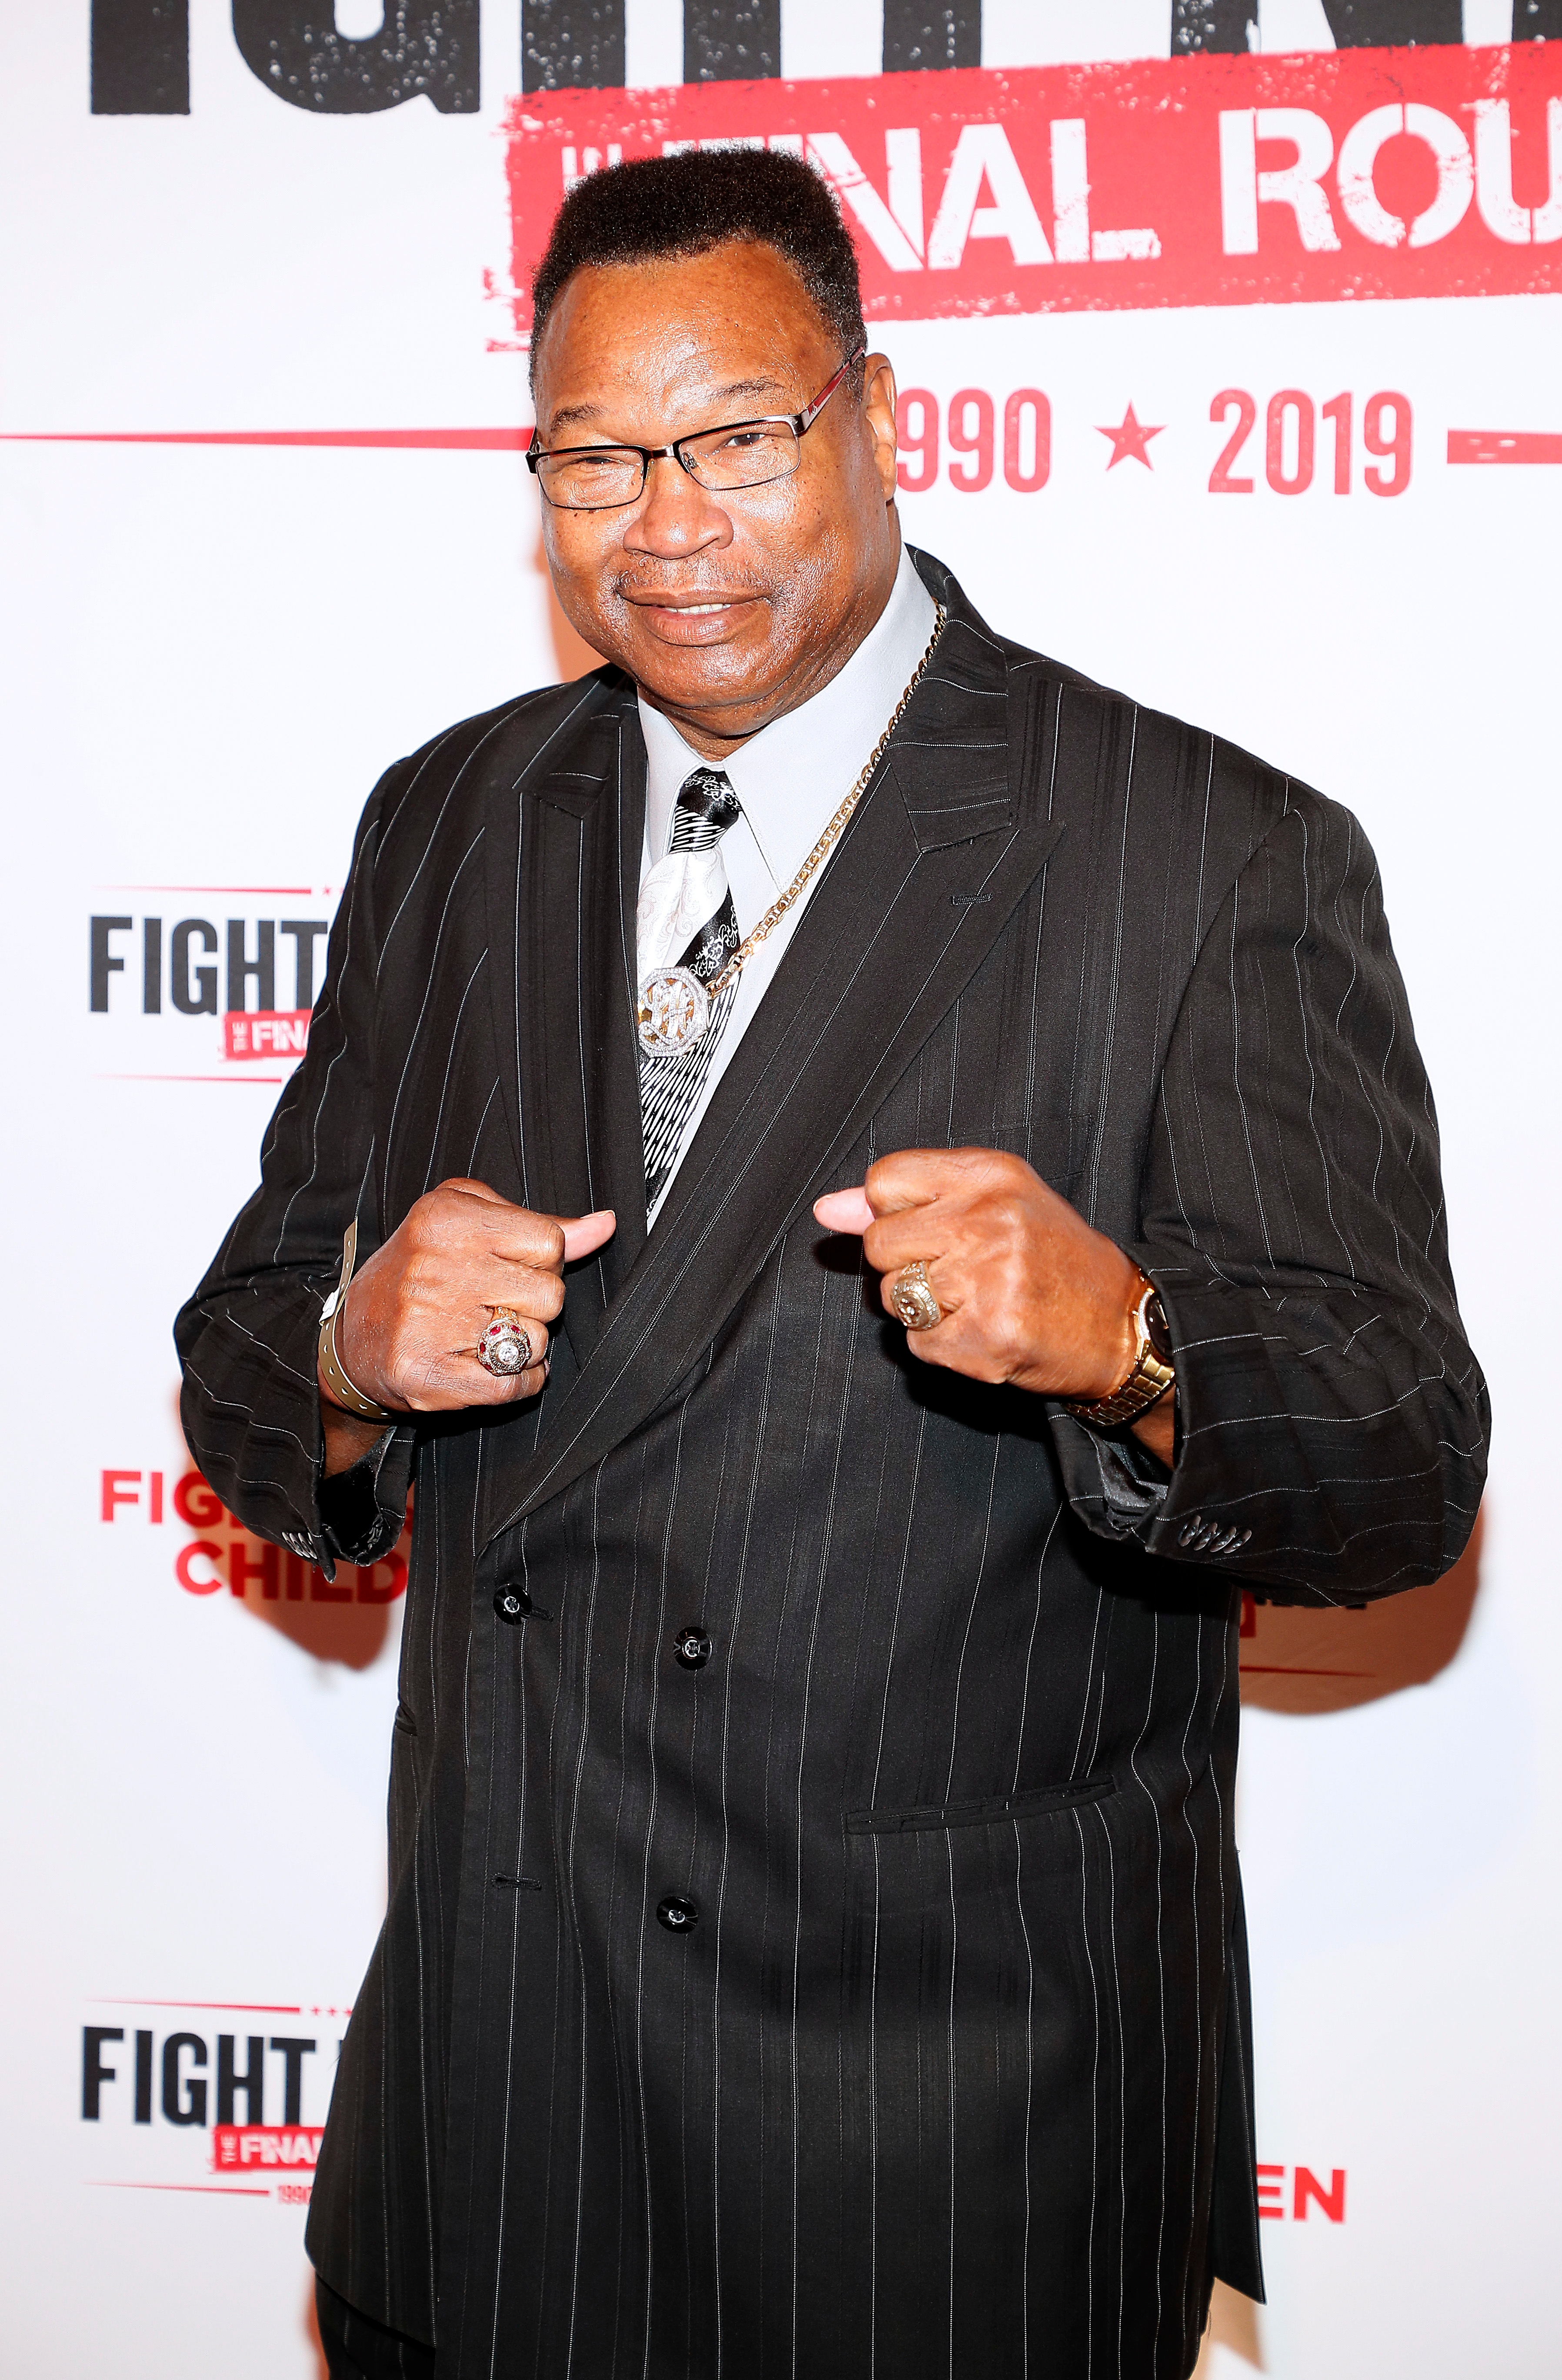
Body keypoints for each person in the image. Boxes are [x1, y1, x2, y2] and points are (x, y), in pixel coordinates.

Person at [177, 149, 1487, 2380]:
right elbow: (244, 1346)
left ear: (879, 408)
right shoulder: (452, 815)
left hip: (939, 2159)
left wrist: (1136, 1348)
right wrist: (343, 1354)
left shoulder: (1195, 850)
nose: (663, 523)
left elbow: (1402, 1465)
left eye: (737, 438)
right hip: (491, 2125)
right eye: (592, 457)